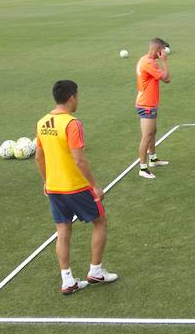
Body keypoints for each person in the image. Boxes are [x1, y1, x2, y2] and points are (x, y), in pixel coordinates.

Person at [35, 80, 118, 295]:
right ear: (72, 97)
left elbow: (38, 157)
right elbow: (79, 160)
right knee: (100, 222)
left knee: (62, 231)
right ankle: (96, 271)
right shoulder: (72, 124)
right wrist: (95, 186)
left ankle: (67, 280)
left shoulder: (42, 122)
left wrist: (46, 181)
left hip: (54, 188)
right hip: (76, 186)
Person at [135, 38, 171, 179]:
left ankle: (153, 159)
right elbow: (167, 79)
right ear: (157, 49)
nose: (163, 52)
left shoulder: (145, 59)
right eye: (162, 50)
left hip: (148, 103)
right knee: (147, 136)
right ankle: (143, 168)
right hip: (146, 104)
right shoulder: (149, 63)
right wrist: (165, 61)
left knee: (152, 132)